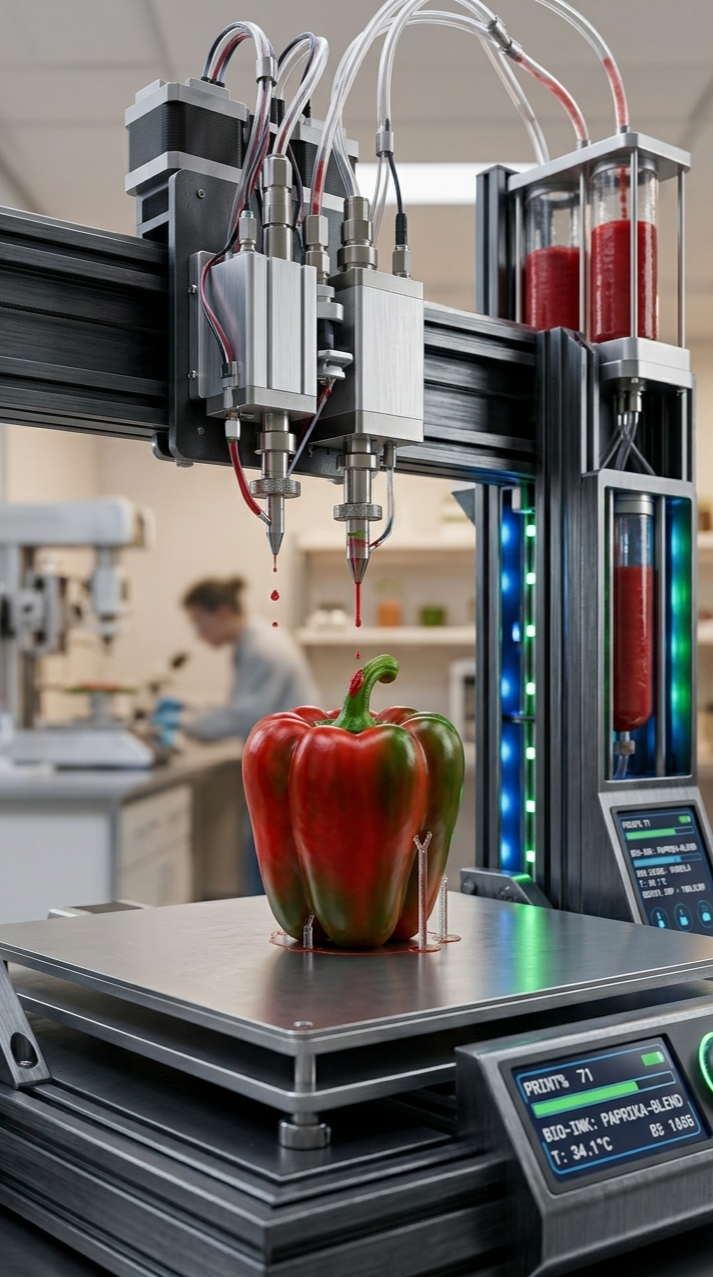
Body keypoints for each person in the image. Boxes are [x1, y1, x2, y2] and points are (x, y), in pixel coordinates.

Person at [181, 576, 319, 894]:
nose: (199, 635)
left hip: (286, 767)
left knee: (270, 858)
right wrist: (189, 707)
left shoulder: (263, 649)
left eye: (200, 623)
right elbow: (242, 704)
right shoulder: (254, 642)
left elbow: (244, 715)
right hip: (284, 763)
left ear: (223, 613)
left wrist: (184, 724)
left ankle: (268, 928)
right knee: (269, 853)